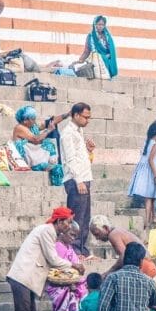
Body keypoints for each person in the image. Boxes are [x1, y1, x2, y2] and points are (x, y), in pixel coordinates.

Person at [7, 207, 84, 311]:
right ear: (59, 221)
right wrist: (74, 265)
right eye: (68, 222)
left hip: (27, 281)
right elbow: (53, 259)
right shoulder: (47, 231)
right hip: (21, 278)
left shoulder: (49, 232)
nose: (69, 226)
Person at [44, 222, 87, 311]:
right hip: (60, 289)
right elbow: (57, 269)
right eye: (71, 235)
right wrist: (70, 282)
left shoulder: (69, 248)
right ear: (63, 232)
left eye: (75, 236)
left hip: (72, 289)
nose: (73, 239)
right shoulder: (57, 247)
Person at [60, 103, 95, 257]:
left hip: (84, 178)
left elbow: (80, 158)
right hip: (76, 180)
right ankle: (73, 250)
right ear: (76, 115)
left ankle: (82, 250)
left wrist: (88, 150)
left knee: (85, 218)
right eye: (85, 117)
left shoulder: (79, 131)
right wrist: (79, 180)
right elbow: (70, 159)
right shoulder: (67, 133)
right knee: (77, 219)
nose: (88, 120)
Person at [89, 215, 156, 278]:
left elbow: (123, 257)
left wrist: (107, 273)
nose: (97, 238)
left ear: (105, 228)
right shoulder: (117, 231)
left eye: (97, 234)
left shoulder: (113, 235)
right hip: (148, 266)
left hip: (144, 267)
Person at [128, 122, 156, 230]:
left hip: (142, 171)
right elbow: (151, 159)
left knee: (150, 197)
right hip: (151, 171)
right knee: (150, 198)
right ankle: (148, 221)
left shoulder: (147, 142)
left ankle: (153, 218)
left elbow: (149, 155)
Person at [13, 105, 63, 178]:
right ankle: (43, 164)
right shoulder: (19, 127)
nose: (34, 120)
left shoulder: (32, 126)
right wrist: (48, 130)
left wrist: (67, 114)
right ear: (25, 120)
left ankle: (51, 163)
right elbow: (35, 139)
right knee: (47, 142)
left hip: (34, 153)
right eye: (32, 118)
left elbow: (51, 122)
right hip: (26, 156)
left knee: (50, 139)